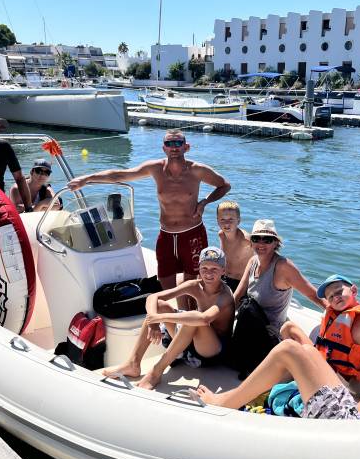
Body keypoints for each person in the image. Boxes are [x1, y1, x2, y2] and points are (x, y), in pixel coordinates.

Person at [197, 267, 360, 420]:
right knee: (304, 349)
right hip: (353, 406)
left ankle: (224, 402)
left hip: (355, 427)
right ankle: (236, 396)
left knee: (288, 350)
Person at [68, 129, 231, 306]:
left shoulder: (198, 170)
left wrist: (204, 202)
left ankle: (190, 319)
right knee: (164, 281)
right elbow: (120, 175)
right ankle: (172, 320)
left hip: (192, 233)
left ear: (186, 147)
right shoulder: (155, 168)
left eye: (178, 143)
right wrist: (86, 179)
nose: (174, 147)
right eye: (169, 143)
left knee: (192, 281)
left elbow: (224, 185)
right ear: (164, 148)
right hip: (166, 234)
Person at [103, 246, 235, 390]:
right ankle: (133, 363)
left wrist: (160, 318)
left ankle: (156, 372)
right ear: (199, 268)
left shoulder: (225, 295)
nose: (208, 273)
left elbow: (204, 319)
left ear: (223, 270)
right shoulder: (195, 286)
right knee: (159, 305)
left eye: (214, 269)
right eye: (204, 268)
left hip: (210, 351)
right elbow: (154, 297)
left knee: (194, 318)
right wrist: (153, 320)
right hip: (189, 342)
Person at [233, 219, 327, 341]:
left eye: (267, 240)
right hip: (249, 324)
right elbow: (237, 297)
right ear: (251, 242)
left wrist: (339, 316)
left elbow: (313, 295)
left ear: (275, 243)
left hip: (270, 334)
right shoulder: (252, 262)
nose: (261, 244)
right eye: (256, 239)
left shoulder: (283, 267)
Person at [280, 273, 360, 385]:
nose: (335, 297)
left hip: (338, 377)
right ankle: (280, 386)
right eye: (331, 297)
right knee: (288, 327)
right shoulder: (332, 313)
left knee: (288, 351)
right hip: (321, 363)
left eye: (339, 292)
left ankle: (275, 388)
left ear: (354, 291)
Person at [216, 201, 253, 293]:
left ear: (238, 221)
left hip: (241, 283)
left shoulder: (246, 240)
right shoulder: (222, 235)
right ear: (217, 221)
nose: (226, 224)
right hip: (223, 278)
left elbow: (260, 261)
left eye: (231, 220)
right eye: (222, 220)